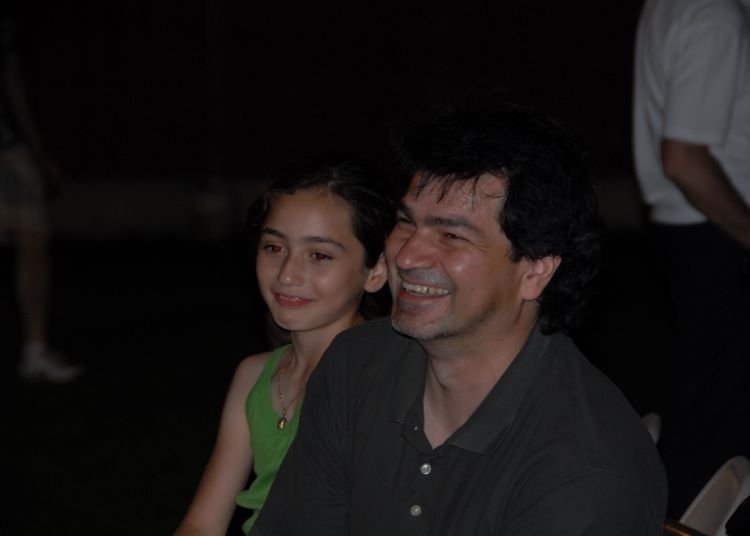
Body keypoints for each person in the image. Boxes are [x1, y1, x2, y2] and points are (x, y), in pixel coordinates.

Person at [251, 104, 668, 536]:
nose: (406, 256)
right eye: (405, 222)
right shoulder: (356, 364)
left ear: (535, 270)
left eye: (451, 235)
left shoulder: (584, 469)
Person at [633, 0, 750, 515]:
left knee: (717, 419)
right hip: (724, 238)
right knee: (722, 437)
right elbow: (682, 158)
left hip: (710, 238)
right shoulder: (716, 12)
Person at [174, 159, 395, 535]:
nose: (287, 274)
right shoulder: (254, 376)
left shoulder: (385, 377)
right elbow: (202, 524)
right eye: (274, 247)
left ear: (376, 271)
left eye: (319, 255)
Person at [0, 6, 82, 382]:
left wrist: (37, 152)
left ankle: (35, 350)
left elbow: (13, 82)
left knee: (33, 242)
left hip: (8, 148)